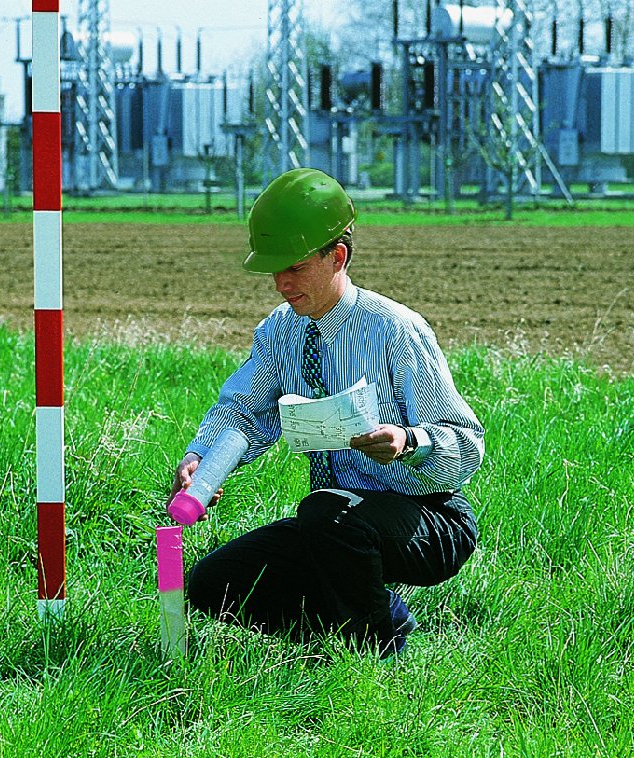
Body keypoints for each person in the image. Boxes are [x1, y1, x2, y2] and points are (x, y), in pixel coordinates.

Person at [169, 168, 484, 659]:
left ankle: (384, 641)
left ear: (336, 257)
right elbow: (243, 413)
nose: (280, 283)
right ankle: (337, 634)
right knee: (211, 586)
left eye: (293, 267)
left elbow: (466, 446)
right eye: (273, 270)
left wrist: (408, 442)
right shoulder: (279, 333)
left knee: (324, 513)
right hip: (334, 521)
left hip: (429, 518)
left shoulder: (396, 331)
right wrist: (200, 460)